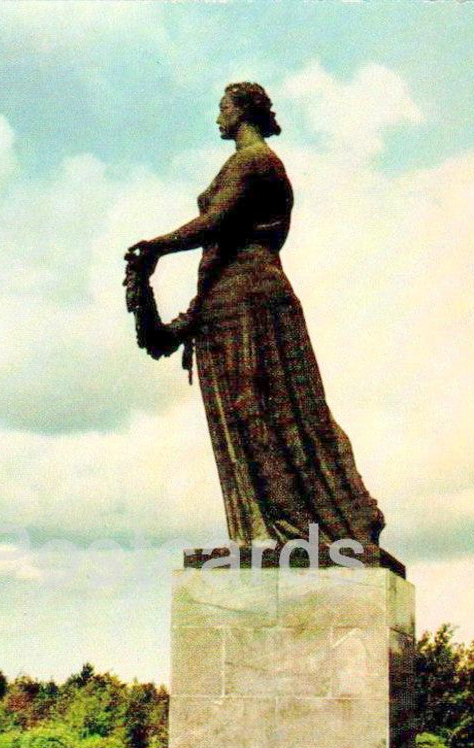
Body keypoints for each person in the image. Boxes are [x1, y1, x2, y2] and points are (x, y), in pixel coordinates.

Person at [125, 82, 384, 549]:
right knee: (246, 415)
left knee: (267, 408)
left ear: (244, 111)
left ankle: (313, 524)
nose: (217, 117)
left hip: (252, 297)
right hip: (224, 298)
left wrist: (159, 246)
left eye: (222, 108)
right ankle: (263, 529)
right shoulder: (243, 161)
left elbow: (218, 221)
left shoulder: (257, 161)